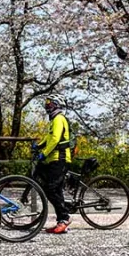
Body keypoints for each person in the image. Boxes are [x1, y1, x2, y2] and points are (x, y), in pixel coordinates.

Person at [33, 94, 73, 235]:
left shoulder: (59, 118)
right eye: (46, 103)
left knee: (51, 188)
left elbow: (55, 139)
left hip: (60, 158)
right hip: (53, 159)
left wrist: (44, 152)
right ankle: (61, 221)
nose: (47, 106)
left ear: (56, 105)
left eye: (49, 103)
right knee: (53, 189)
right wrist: (38, 146)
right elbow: (48, 137)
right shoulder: (54, 120)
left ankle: (65, 217)